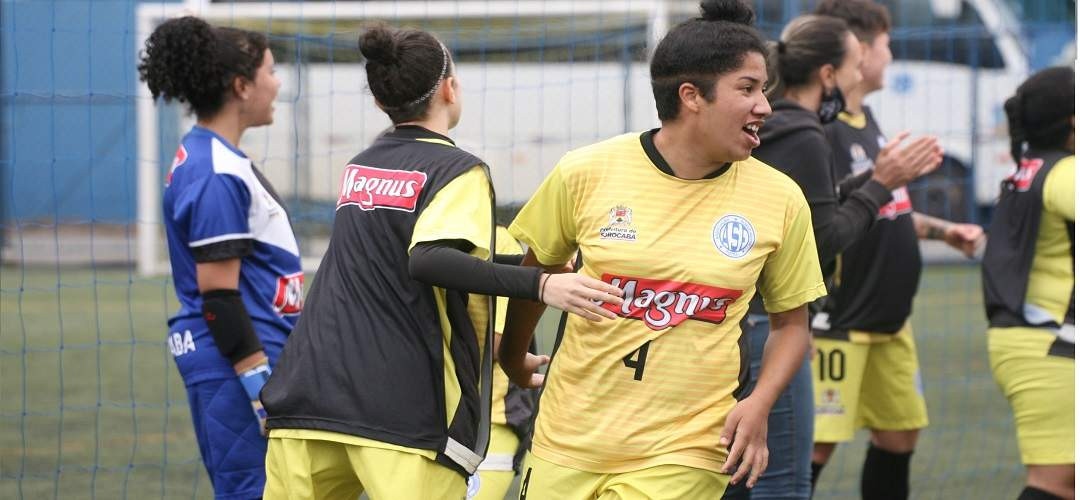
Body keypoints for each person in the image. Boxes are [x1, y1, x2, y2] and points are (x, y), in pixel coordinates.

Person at [259, 25, 623, 500]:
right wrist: (541, 285)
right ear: (450, 87)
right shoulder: (458, 169)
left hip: (308, 395)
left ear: (380, 100)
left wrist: (525, 260)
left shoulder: (362, 164)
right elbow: (428, 259)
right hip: (398, 410)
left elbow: (403, 252)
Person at [500, 1, 829, 498]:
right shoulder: (584, 172)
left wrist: (759, 402)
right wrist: (513, 356)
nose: (765, 105)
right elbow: (536, 273)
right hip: (566, 438)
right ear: (691, 96)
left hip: (688, 447)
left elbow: (791, 322)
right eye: (748, 89)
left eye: (764, 89)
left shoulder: (779, 197)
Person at [722, 13, 943, 500]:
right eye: (855, 61)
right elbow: (820, 239)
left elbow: (804, 212)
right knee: (783, 476)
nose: (861, 70)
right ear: (828, 74)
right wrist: (881, 184)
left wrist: (876, 180)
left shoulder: (791, 130)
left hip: (773, 321)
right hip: (777, 323)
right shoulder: (802, 133)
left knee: (749, 466)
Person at [808, 2, 984, 498]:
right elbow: (827, 214)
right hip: (840, 321)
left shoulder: (869, 119)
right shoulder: (819, 129)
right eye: (887, 44)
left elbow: (887, 207)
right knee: (815, 447)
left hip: (889, 320)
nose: (892, 54)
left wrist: (944, 231)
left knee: (899, 433)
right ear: (860, 52)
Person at [138, 16, 298, 499]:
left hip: (256, 356)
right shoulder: (215, 172)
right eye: (269, 71)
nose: (277, 82)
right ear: (241, 86)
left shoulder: (216, 158)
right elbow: (219, 297)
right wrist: (258, 386)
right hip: (239, 363)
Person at [983, 66, 1074, 500]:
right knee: (1056, 484)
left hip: (1030, 339)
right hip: (1052, 344)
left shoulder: (1032, 167)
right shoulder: (1066, 173)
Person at [466, 225, 539, 500]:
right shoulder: (420, 237)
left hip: (493, 416)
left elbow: (500, 343)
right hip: (435, 417)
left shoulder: (498, 240)